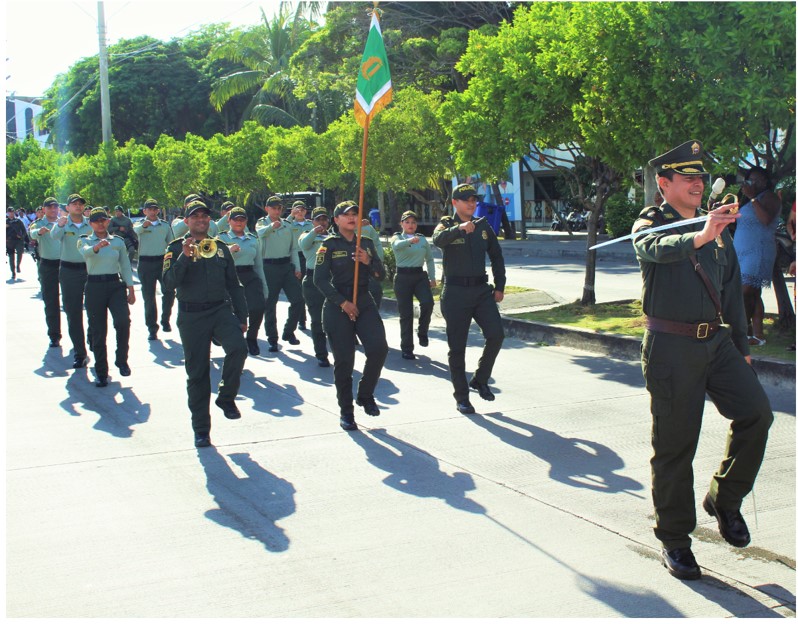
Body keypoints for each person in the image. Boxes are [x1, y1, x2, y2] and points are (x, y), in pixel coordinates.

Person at [632, 140, 773, 581]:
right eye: (686, 177)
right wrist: (700, 235)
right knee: (676, 446)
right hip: (671, 347)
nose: (697, 184)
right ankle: (675, 538)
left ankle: (725, 498)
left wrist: (743, 347)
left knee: (757, 414)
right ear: (664, 183)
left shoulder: (716, 226)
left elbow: (730, 289)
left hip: (717, 342)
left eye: (700, 177)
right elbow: (651, 247)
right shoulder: (652, 222)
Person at [162, 200, 248, 448]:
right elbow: (168, 283)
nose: (200, 219)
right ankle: (201, 430)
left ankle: (226, 397)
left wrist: (242, 316)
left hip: (220, 310)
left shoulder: (219, 247)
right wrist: (185, 257)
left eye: (204, 216)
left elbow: (233, 284)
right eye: (195, 216)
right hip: (191, 316)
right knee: (197, 374)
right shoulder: (175, 248)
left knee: (239, 349)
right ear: (186, 221)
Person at [314, 201, 388, 430]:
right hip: (338, 304)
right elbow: (319, 280)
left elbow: (381, 275)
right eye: (346, 215)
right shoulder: (328, 245)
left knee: (378, 348)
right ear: (336, 220)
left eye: (355, 214)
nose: (352, 218)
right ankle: (346, 412)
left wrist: (368, 261)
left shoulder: (365, 243)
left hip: (363, 300)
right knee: (344, 361)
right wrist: (343, 303)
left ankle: (365, 394)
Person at [432, 183, 506, 415]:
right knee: (457, 348)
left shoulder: (483, 226)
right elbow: (437, 240)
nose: (472, 204)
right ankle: (462, 397)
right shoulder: (447, 224)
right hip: (455, 293)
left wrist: (500, 286)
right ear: (455, 203)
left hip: (481, 291)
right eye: (467, 200)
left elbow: (496, 256)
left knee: (496, 335)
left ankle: (480, 379)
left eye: (474, 200)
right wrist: (460, 229)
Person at [77, 208, 136, 386]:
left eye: (103, 220)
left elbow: (125, 265)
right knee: (98, 330)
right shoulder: (84, 240)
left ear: (108, 222)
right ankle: (101, 371)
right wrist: (96, 247)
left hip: (115, 285)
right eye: (96, 221)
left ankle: (122, 360)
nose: (100, 224)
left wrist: (130, 288)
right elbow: (85, 252)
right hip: (94, 286)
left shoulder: (117, 241)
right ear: (90, 224)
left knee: (123, 321)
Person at [733, 166, 781, 346]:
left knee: (746, 291)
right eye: (750, 180)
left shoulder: (769, 197)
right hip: (742, 251)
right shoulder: (748, 200)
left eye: (757, 180)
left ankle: (741, 331)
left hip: (758, 251)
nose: (753, 183)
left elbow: (766, 219)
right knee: (753, 292)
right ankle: (758, 335)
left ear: (765, 182)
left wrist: (752, 197)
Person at [256, 195, 304, 352]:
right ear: (267, 209)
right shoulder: (262, 223)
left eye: (279, 208)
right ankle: (272, 338)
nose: (277, 211)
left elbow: (293, 248)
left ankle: (289, 331)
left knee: (298, 300)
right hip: (269, 267)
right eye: (274, 208)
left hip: (285, 266)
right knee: (270, 305)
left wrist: (297, 267)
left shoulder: (287, 225)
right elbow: (260, 233)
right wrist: (271, 227)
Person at [218, 206, 268, 356]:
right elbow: (215, 257)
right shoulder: (221, 238)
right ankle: (235, 339)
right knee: (234, 310)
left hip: (249, 275)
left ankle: (252, 338)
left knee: (258, 307)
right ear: (229, 221)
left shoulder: (252, 239)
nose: (239, 222)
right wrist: (228, 250)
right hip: (230, 276)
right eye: (235, 219)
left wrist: (265, 287)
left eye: (242, 219)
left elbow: (258, 265)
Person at [51, 194, 93, 368]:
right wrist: (60, 225)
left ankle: (92, 336)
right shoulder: (62, 223)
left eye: (80, 204)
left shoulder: (91, 224)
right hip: (69, 271)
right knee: (73, 313)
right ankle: (80, 352)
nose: (78, 206)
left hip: (90, 270)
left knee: (94, 309)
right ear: (67, 207)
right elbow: (54, 236)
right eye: (74, 204)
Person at [391, 210, 437, 359]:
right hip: (403, 277)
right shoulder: (397, 237)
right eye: (407, 222)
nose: (410, 225)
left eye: (413, 222)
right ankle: (407, 348)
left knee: (428, 303)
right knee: (406, 314)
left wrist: (432, 277)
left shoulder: (422, 239)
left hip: (419, 277)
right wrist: (409, 241)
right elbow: (396, 246)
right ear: (402, 224)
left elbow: (429, 259)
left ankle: (422, 331)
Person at [133, 199, 175, 341]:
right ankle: (152, 328)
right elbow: (136, 231)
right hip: (146, 263)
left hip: (162, 261)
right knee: (149, 297)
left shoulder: (164, 225)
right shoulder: (139, 224)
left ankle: (165, 319)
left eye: (155, 209)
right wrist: (144, 226)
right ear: (144, 211)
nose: (152, 211)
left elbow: (171, 243)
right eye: (149, 209)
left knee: (169, 291)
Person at [298, 206, 333, 367]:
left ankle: (339, 352)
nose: (322, 222)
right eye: (318, 219)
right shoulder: (306, 235)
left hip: (331, 280)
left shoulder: (333, 237)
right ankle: (321, 354)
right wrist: (314, 232)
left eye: (324, 219)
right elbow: (304, 244)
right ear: (312, 222)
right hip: (313, 281)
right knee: (317, 320)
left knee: (335, 321)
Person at [29, 198, 63, 346]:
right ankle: (54, 335)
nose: (53, 210)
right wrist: (39, 232)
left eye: (55, 207)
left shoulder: (63, 222)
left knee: (72, 302)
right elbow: (32, 233)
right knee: (51, 301)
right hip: (48, 265)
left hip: (66, 265)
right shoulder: (39, 223)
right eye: (49, 207)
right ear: (44, 209)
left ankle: (79, 338)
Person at [286, 200, 314, 330]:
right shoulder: (290, 224)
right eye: (297, 210)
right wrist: (291, 216)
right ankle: (302, 320)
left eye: (302, 210)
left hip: (309, 256)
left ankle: (316, 318)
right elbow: (283, 226)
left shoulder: (310, 224)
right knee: (299, 290)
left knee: (312, 289)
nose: (300, 212)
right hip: (296, 257)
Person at [6, 207, 28, 279]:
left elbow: (24, 231)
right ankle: (13, 272)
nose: (11, 213)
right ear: (7, 213)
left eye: (12, 212)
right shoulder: (5, 221)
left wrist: (22, 236)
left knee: (20, 253)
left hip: (18, 240)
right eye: (10, 212)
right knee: (11, 257)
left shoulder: (18, 221)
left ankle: (18, 265)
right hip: (9, 241)